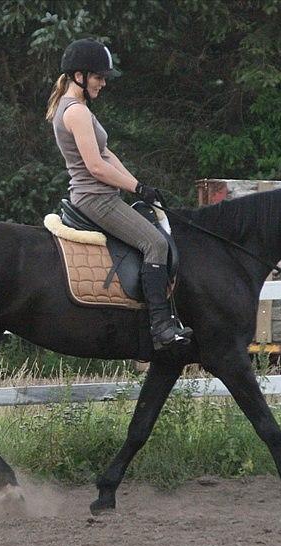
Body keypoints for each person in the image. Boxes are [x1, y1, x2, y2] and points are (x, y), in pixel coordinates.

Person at [46, 38, 192, 351]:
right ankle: (161, 326)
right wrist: (135, 188)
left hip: (102, 195)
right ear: (79, 76)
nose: (102, 83)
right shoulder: (76, 112)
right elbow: (96, 167)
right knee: (154, 242)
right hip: (95, 198)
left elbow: (107, 153)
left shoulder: (77, 108)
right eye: (98, 77)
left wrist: (139, 185)